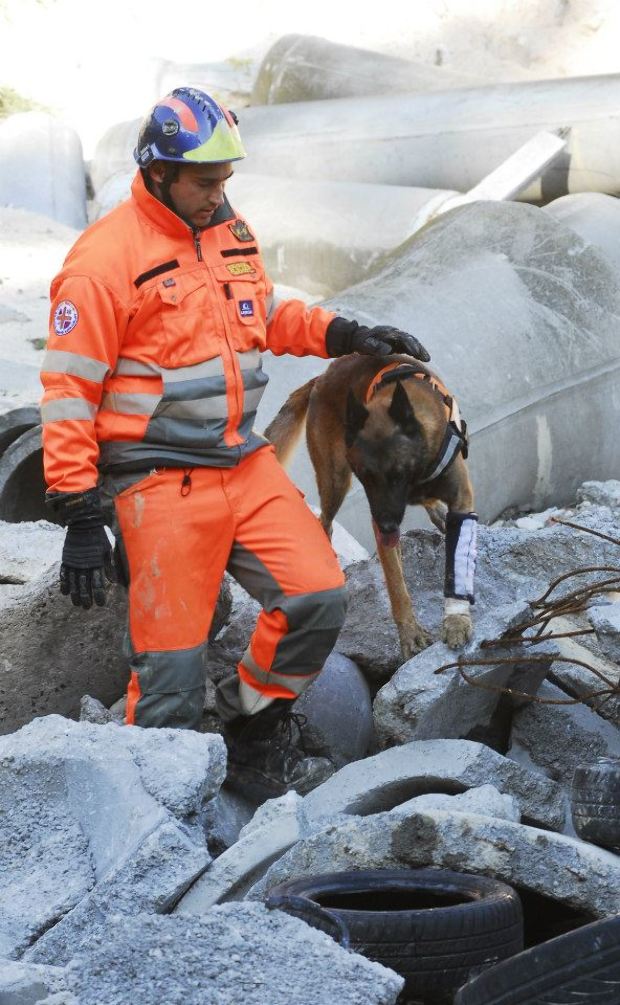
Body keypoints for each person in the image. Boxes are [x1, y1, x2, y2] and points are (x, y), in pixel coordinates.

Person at [40, 87, 430, 796]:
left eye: (225, 179)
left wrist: (344, 333)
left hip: (240, 461)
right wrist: (79, 510)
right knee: (167, 682)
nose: (219, 194)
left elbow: (263, 311)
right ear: (159, 172)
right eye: (205, 182)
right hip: (158, 481)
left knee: (317, 598)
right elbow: (68, 389)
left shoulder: (227, 229)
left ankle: (246, 729)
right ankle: (160, 814)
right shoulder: (102, 261)